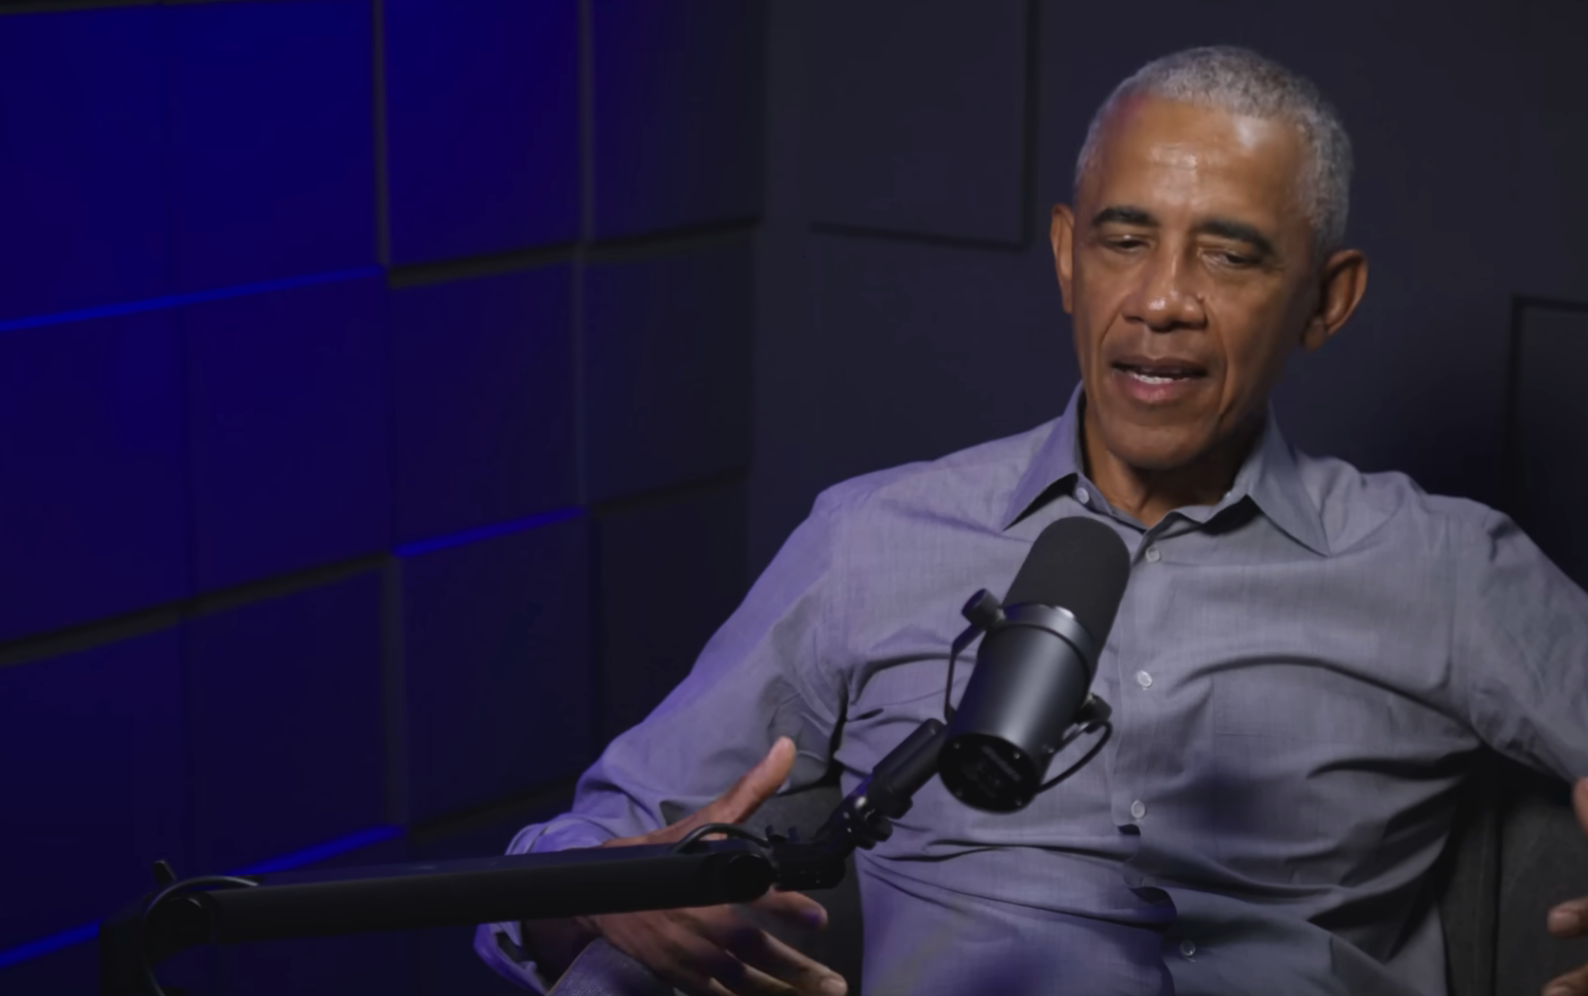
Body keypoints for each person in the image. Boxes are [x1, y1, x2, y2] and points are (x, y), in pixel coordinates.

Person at [477, 46, 1588, 996]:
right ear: (1065, 256)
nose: (1161, 299)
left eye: (1229, 251)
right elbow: (560, 868)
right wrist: (616, 900)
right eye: (1123, 239)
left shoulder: (1443, 567)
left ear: (1326, 301)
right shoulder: (873, 539)